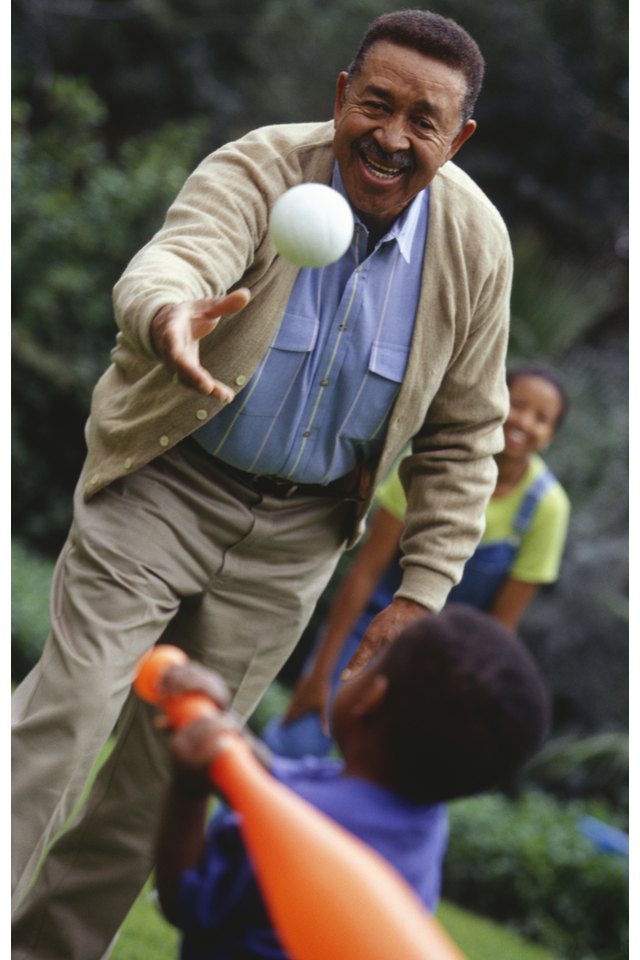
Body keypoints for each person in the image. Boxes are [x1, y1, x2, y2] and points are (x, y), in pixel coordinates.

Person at [11, 10, 513, 959]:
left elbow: (465, 434)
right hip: (164, 486)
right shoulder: (260, 165)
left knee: (160, 780)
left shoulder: (477, 248)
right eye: (376, 103)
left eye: (424, 120)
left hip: (294, 543)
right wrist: (169, 314)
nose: (393, 137)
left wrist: (423, 594)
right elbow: (177, 256)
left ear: (460, 138)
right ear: (339, 97)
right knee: (68, 715)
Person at [154, 607, 550, 959]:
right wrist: (226, 731)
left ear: (372, 698)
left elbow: (185, 899)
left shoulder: (310, 819)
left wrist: (189, 788)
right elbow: (273, 784)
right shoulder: (422, 824)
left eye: (375, 663)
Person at [263, 364, 570, 759]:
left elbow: (499, 630)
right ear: (495, 399)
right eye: (518, 403)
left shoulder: (547, 508)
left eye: (542, 418)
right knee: (302, 739)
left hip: (445, 663)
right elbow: (366, 571)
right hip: (371, 625)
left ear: (550, 437)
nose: (524, 421)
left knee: (389, 768)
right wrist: (320, 674)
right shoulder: (431, 459)